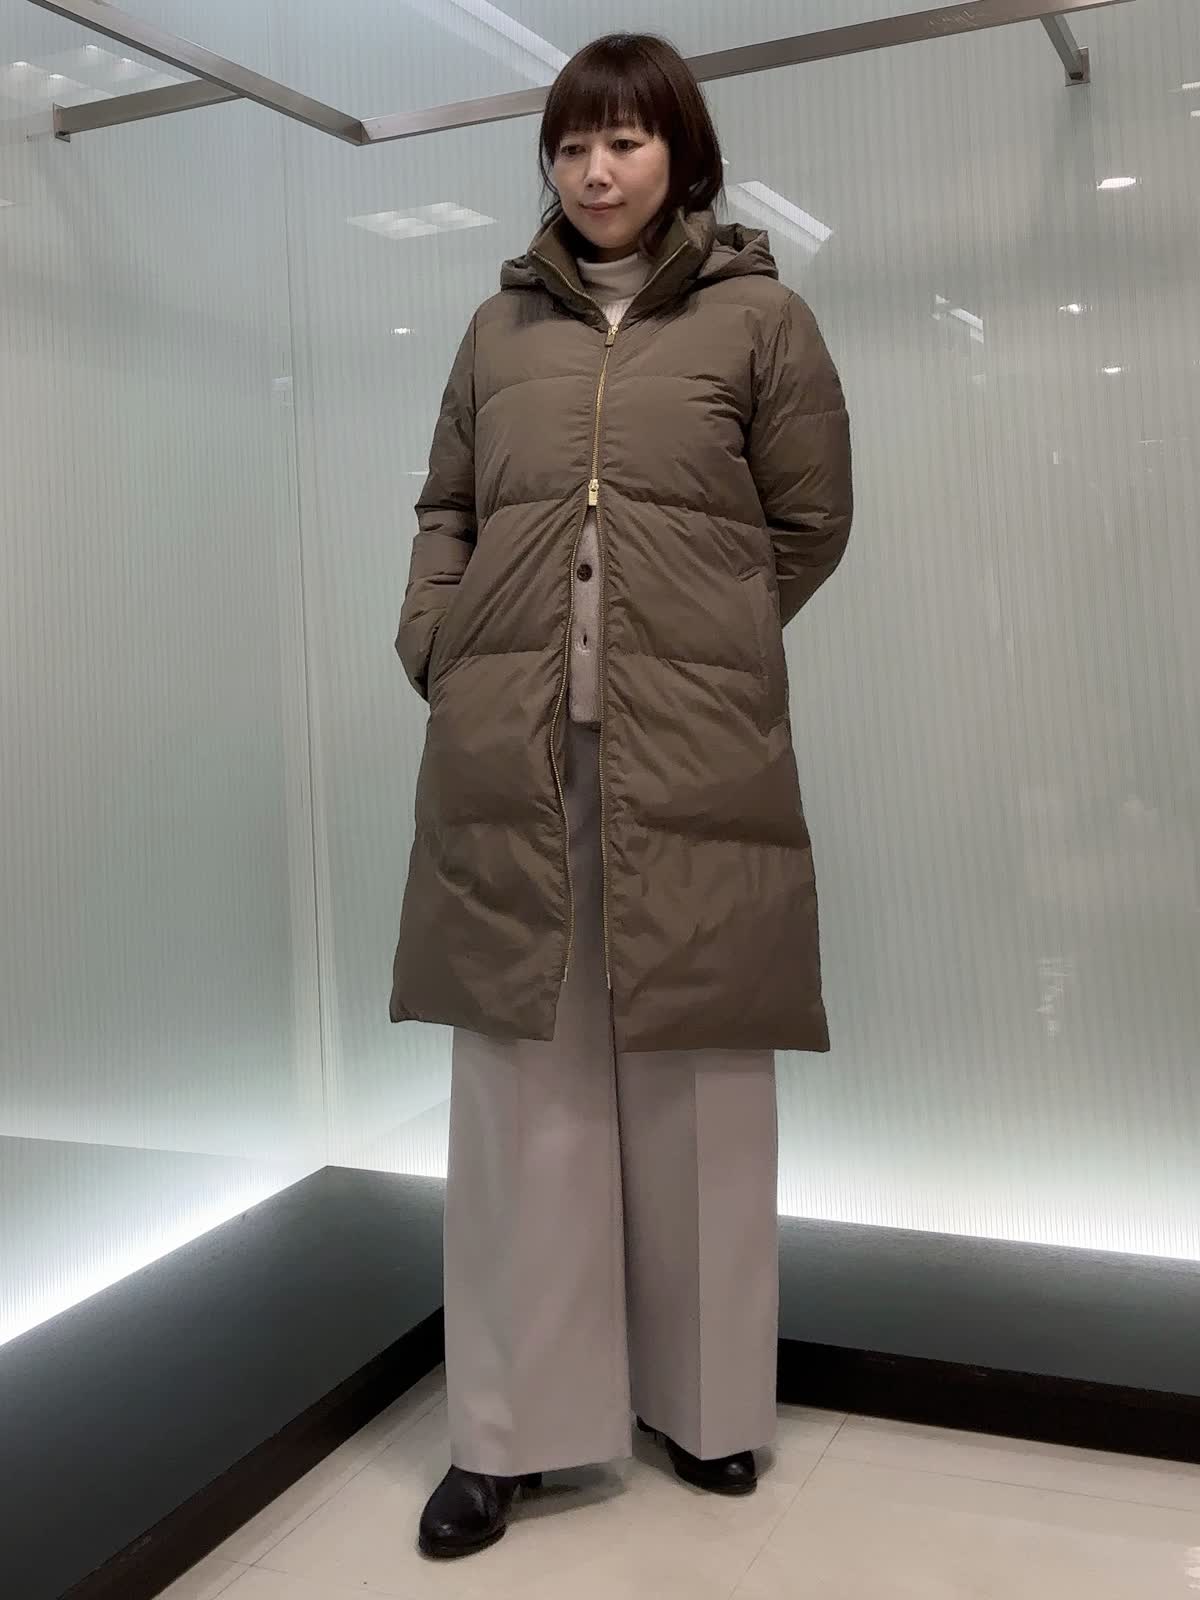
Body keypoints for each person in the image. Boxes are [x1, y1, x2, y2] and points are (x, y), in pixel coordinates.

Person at [389, 32, 853, 1561]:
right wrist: (436, 640)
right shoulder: (497, 331)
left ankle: (708, 1408)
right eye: (574, 143)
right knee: (522, 1082)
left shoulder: (762, 319)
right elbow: (448, 508)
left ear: (680, 154)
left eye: (626, 141)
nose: (595, 171)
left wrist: (702, 645)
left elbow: (809, 522)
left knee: (699, 1071)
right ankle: (508, 1436)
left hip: (692, 752)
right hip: (511, 748)